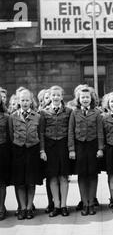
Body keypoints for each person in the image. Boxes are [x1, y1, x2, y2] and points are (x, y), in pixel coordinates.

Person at [68, 86, 104, 216]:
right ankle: (85, 203)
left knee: (93, 175)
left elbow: (100, 132)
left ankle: (91, 202)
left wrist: (100, 148)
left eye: (87, 97)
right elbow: (70, 132)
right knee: (82, 175)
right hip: (79, 147)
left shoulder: (97, 113)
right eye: (82, 97)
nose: (85, 99)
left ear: (91, 99)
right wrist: (71, 149)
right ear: (78, 99)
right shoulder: (74, 113)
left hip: (93, 146)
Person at [9, 89, 43, 220]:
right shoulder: (13, 117)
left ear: (31, 101)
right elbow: (11, 134)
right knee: (20, 182)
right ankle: (22, 208)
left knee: (31, 181)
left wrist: (41, 150)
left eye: (27, 100)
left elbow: (40, 134)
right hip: (18, 151)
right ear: (18, 101)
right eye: (22, 100)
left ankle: (29, 208)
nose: (24, 102)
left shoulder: (37, 116)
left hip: (32, 151)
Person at [40, 86, 72, 217]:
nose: (56, 97)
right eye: (53, 95)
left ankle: (64, 205)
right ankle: (56, 205)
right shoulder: (43, 112)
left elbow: (70, 131)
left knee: (63, 176)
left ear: (62, 96)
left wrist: (71, 149)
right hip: (50, 147)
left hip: (63, 146)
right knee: (52, 177)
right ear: (50, 96)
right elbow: (41, 133)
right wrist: (42, 150)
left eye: (58, 95)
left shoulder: (69, 111)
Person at [0, 95, 10, 220]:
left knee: (1, 181)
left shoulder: (6, 117)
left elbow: (10, 136)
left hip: (2, 151)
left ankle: (1, 208)